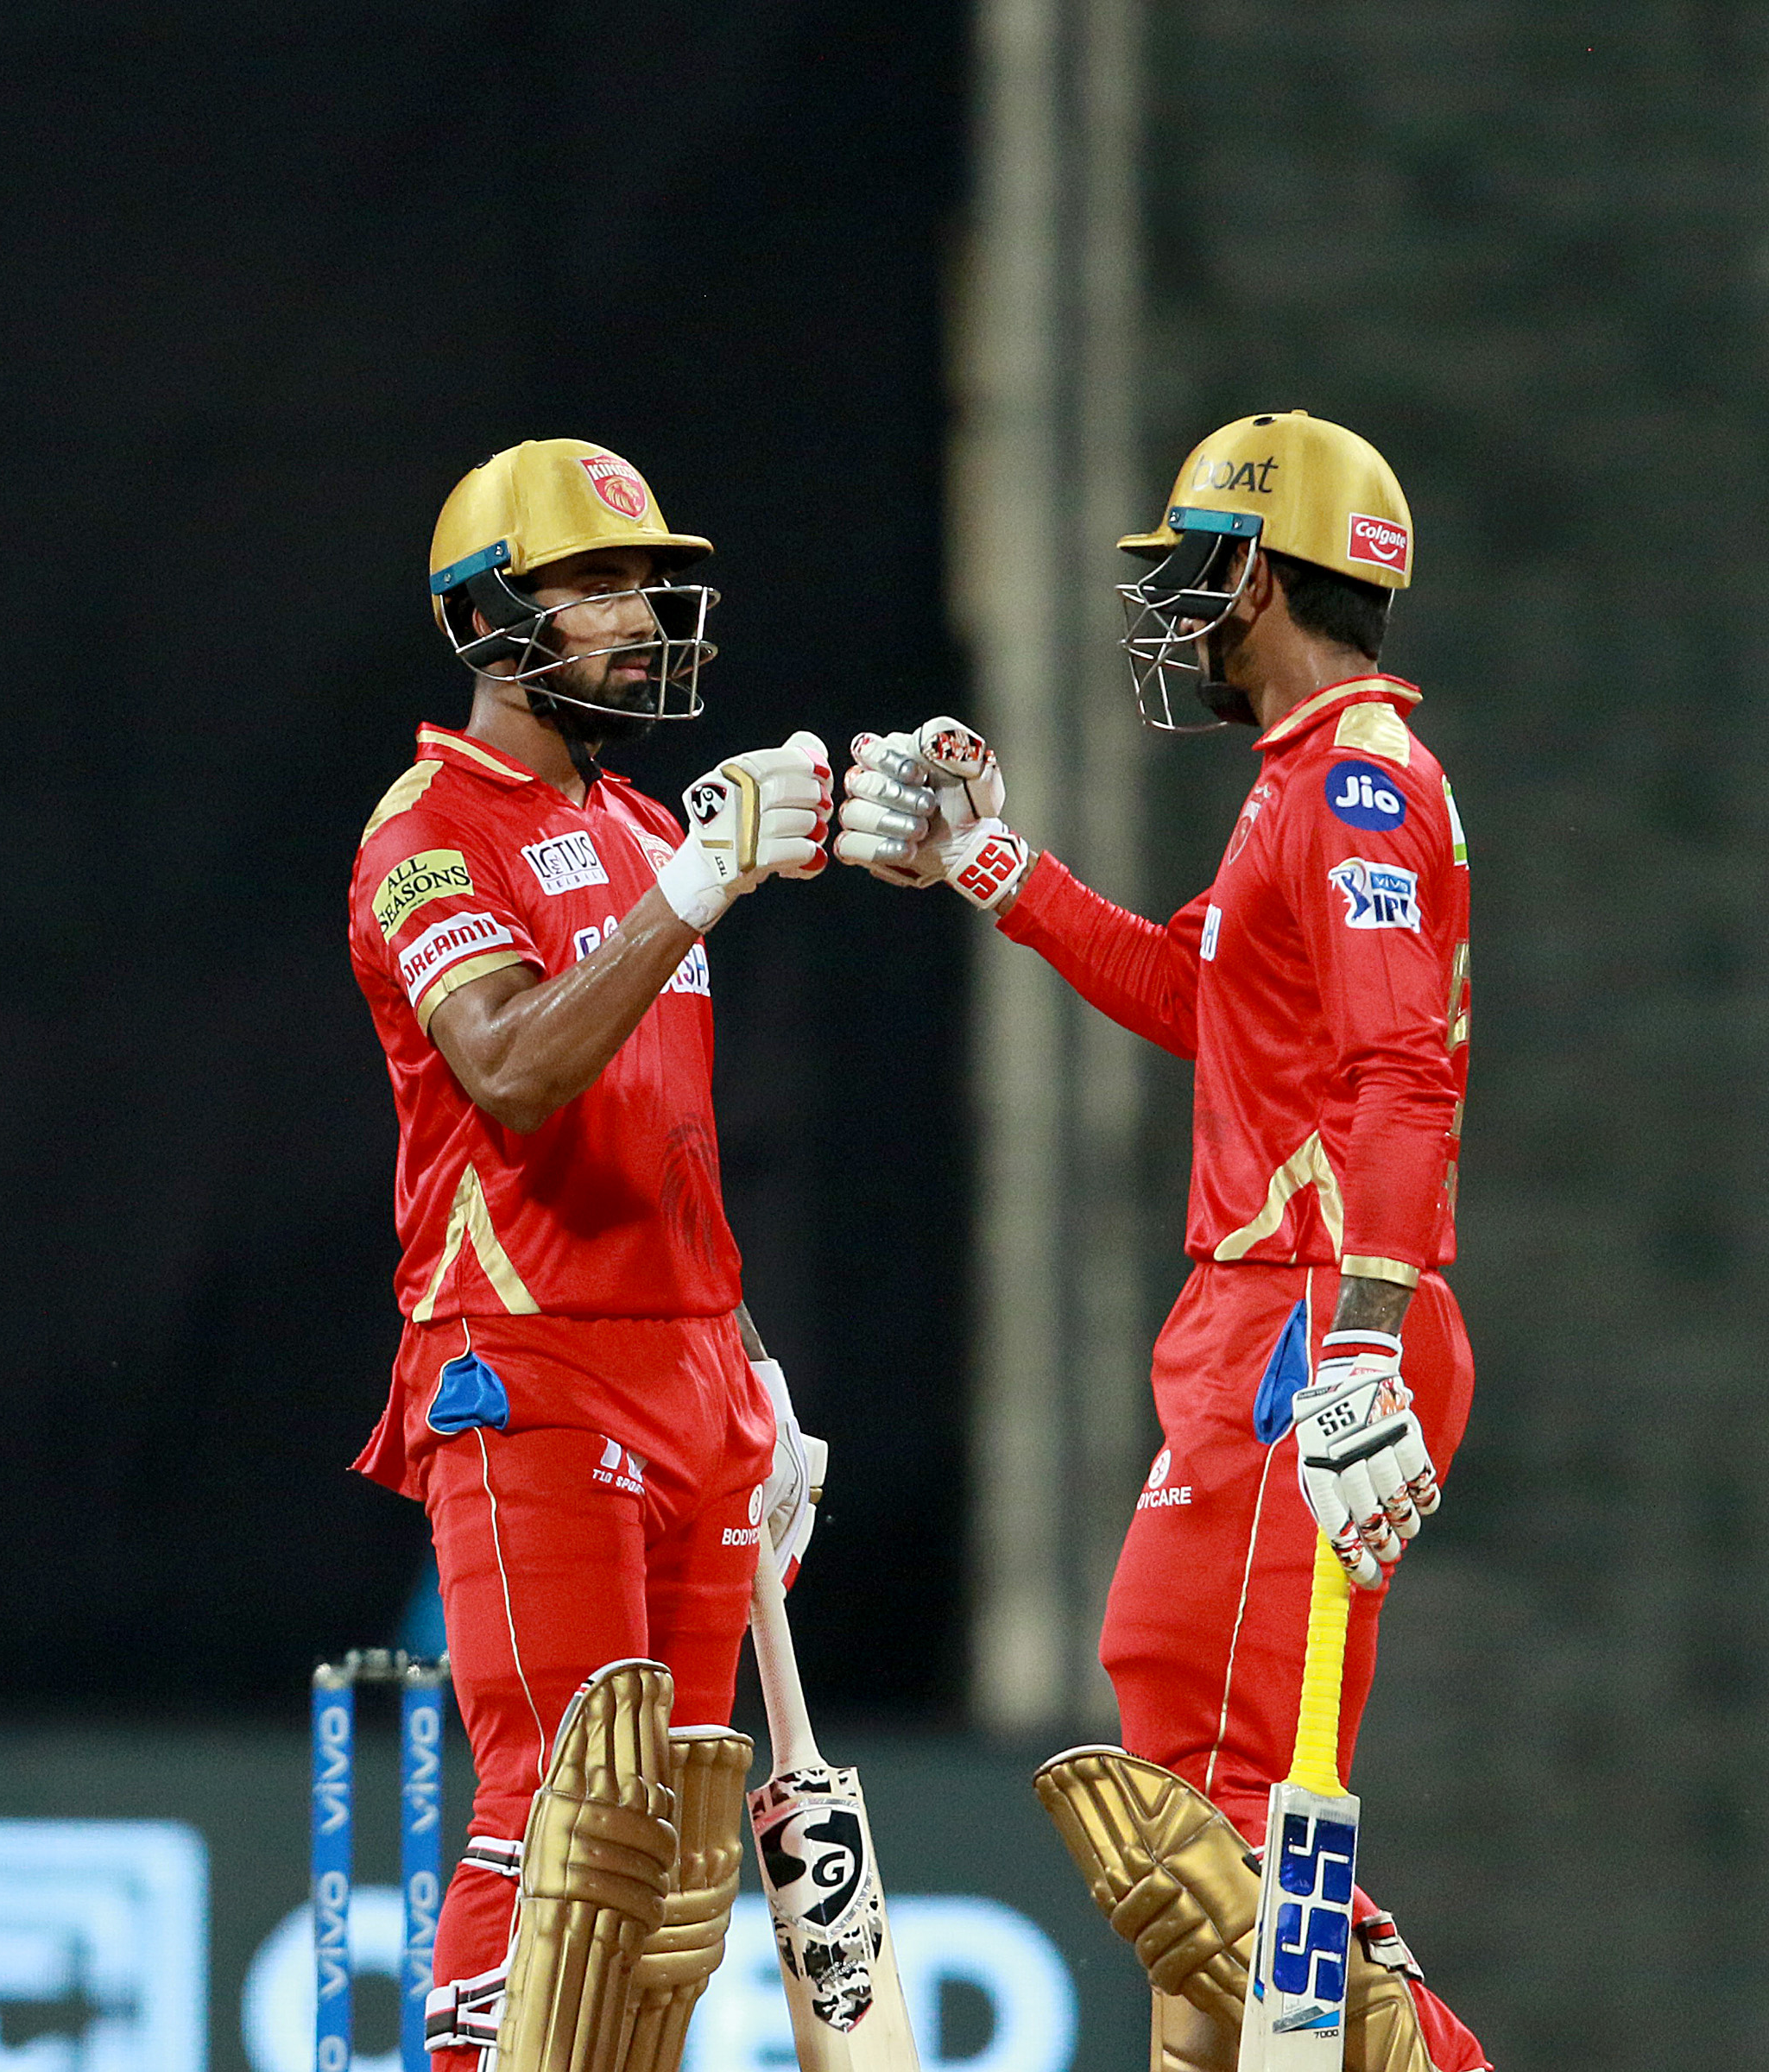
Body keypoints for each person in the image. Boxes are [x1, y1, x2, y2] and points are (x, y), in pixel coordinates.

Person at [837, 412, 1490, 2072]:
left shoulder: (1355, 781)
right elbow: (1194, 996)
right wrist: (993, 866)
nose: (1177, 609)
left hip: (1310, 1326)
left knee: (1210, 1764)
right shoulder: (1298, 785)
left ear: (1260, 575)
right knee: (1219, 1796)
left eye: (1194, 573)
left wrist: (1356, 1344)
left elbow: (1402, 1070)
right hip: (1274, 1323)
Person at [347, 437, 833, 2072]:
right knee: (562, 1789)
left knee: (681, 1831)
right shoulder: (427, 828)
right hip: (527, 1356)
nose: (639, 617)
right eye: (594, 586)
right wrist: (698, 885)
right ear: (491, 616)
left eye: (644, 583)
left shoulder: (633, 830)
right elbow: (510, 1070)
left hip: (690, 1369)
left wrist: (754, 1368)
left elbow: (665, 1145)